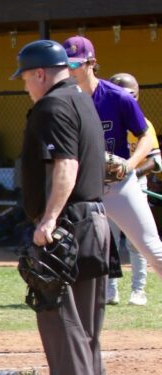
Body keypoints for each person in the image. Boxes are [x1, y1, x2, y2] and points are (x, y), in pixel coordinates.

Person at [14, 39, 111, 375]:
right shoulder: (81, 99)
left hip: (69, 222)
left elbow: (65, 164)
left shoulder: (52, 106)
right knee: (86, 322)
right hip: (94, 220)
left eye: (25, 77)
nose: (24, 85)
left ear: (40, 73)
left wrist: (49, 220)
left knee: (62, 320)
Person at [64, 36, 162, 309]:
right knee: (72, 251)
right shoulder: (65, 101)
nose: (69, 69)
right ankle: (77, 314)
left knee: (152, 250)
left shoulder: (118, 98)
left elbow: (144, 137)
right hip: (84, 187)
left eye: (74, 62)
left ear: (91, 63)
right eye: (65, 63)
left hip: (119, 184)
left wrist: (130, 165)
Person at [105, 72, 162, 306]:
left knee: (136, 242)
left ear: (135, 97)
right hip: (105, 184)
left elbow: (156, 161)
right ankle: (110, 289)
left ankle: (138, 290)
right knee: (106, 239)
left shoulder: (142, 123)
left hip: (134, 183)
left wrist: (130, 172)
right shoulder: (103, 117)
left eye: (127, 93)